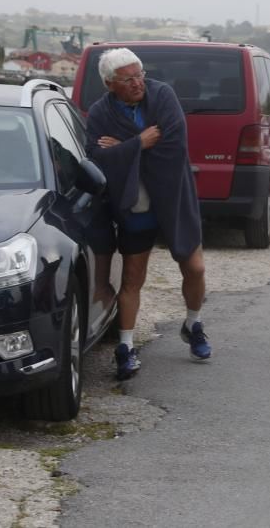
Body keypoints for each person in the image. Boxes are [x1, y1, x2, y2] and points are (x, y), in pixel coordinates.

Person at [85, 48, 210, 380]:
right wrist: (139, 142)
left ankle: (193, 323)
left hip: (174, 197)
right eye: (129, 79)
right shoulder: (99, 112)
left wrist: (123, 148)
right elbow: (97, 157)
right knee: (132, 279)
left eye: (140, 75)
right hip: (135, 205)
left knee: (194, 267)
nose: (138, 83)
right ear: (110, 84)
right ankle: (125, 347)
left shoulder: (162, 95)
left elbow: (173, 147)